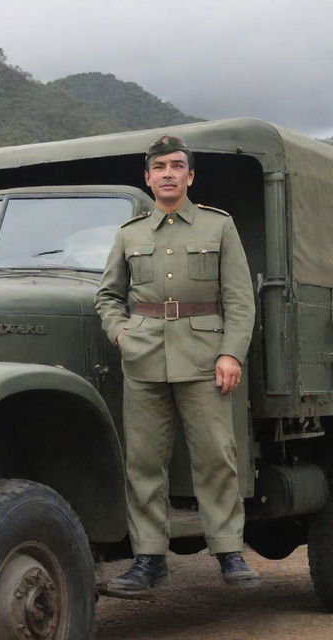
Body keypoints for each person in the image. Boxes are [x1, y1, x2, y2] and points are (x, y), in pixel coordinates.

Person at [95, 134, 259, 592]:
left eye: (177, 166)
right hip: (143, 360)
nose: (168, 173)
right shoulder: (130, 234)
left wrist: (230, 353)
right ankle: (149, 559)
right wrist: (122, 334)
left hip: (205, 360)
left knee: (216, 458)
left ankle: (229, 552)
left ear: (190, 176)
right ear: (147, 178)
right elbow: (108, 296)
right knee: (144, 462)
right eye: (159, 167)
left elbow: (239, 300)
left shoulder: (218, 227)